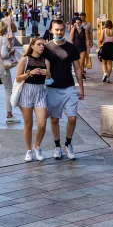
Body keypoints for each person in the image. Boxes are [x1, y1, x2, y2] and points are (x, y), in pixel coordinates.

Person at [43, 20, 84, 160]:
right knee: (54, 119)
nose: (59, 32)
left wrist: (81, 87)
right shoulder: (46, 48)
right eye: (56, 30)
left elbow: (77, 68)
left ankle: (68, 143)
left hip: (69, 87)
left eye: (61, 29)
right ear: (51, 30)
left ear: (65, 30)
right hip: (52, 89)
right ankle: (57, 146)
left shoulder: (71, 48)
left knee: (72, 118)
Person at [15, 37, 51, 161]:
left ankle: (37, 146)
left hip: (40, 91)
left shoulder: (46, 61)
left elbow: (48, 80)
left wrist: (47, 74)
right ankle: (29, 150)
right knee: (28, 124)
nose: (42, 46)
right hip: (27, 91)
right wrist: (30, 73)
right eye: (39, 44)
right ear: (32, 46)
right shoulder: (25, 59)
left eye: (43, 45)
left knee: (42, 124)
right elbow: (18, 78)